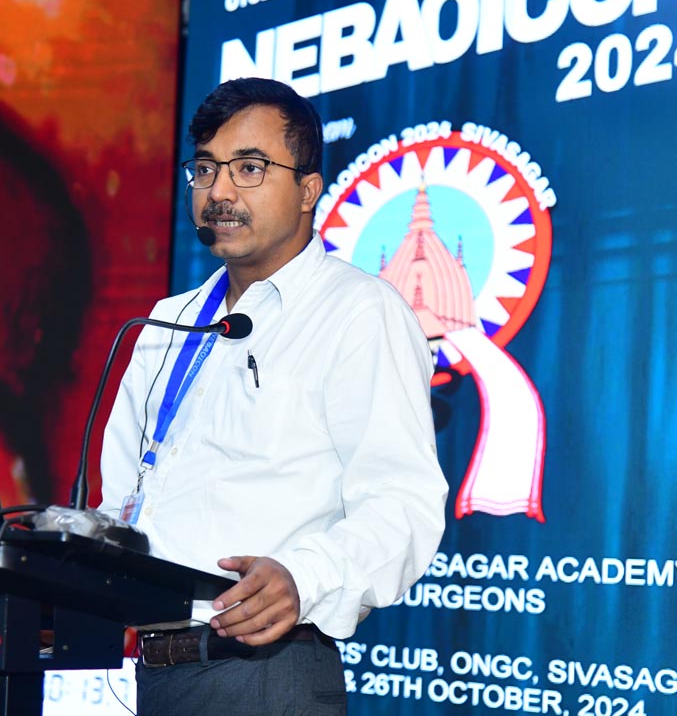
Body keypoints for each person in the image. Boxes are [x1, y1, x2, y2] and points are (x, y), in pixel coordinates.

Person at [99, 77, 449, 715]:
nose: (219, 191)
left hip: (263, 674)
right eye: (205, 168)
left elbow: (403, 506)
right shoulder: (166, 322)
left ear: (309, 190)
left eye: (250, 168)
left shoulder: (358, 312)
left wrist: (302, 578)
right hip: (154, 673)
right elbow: (123, 499)